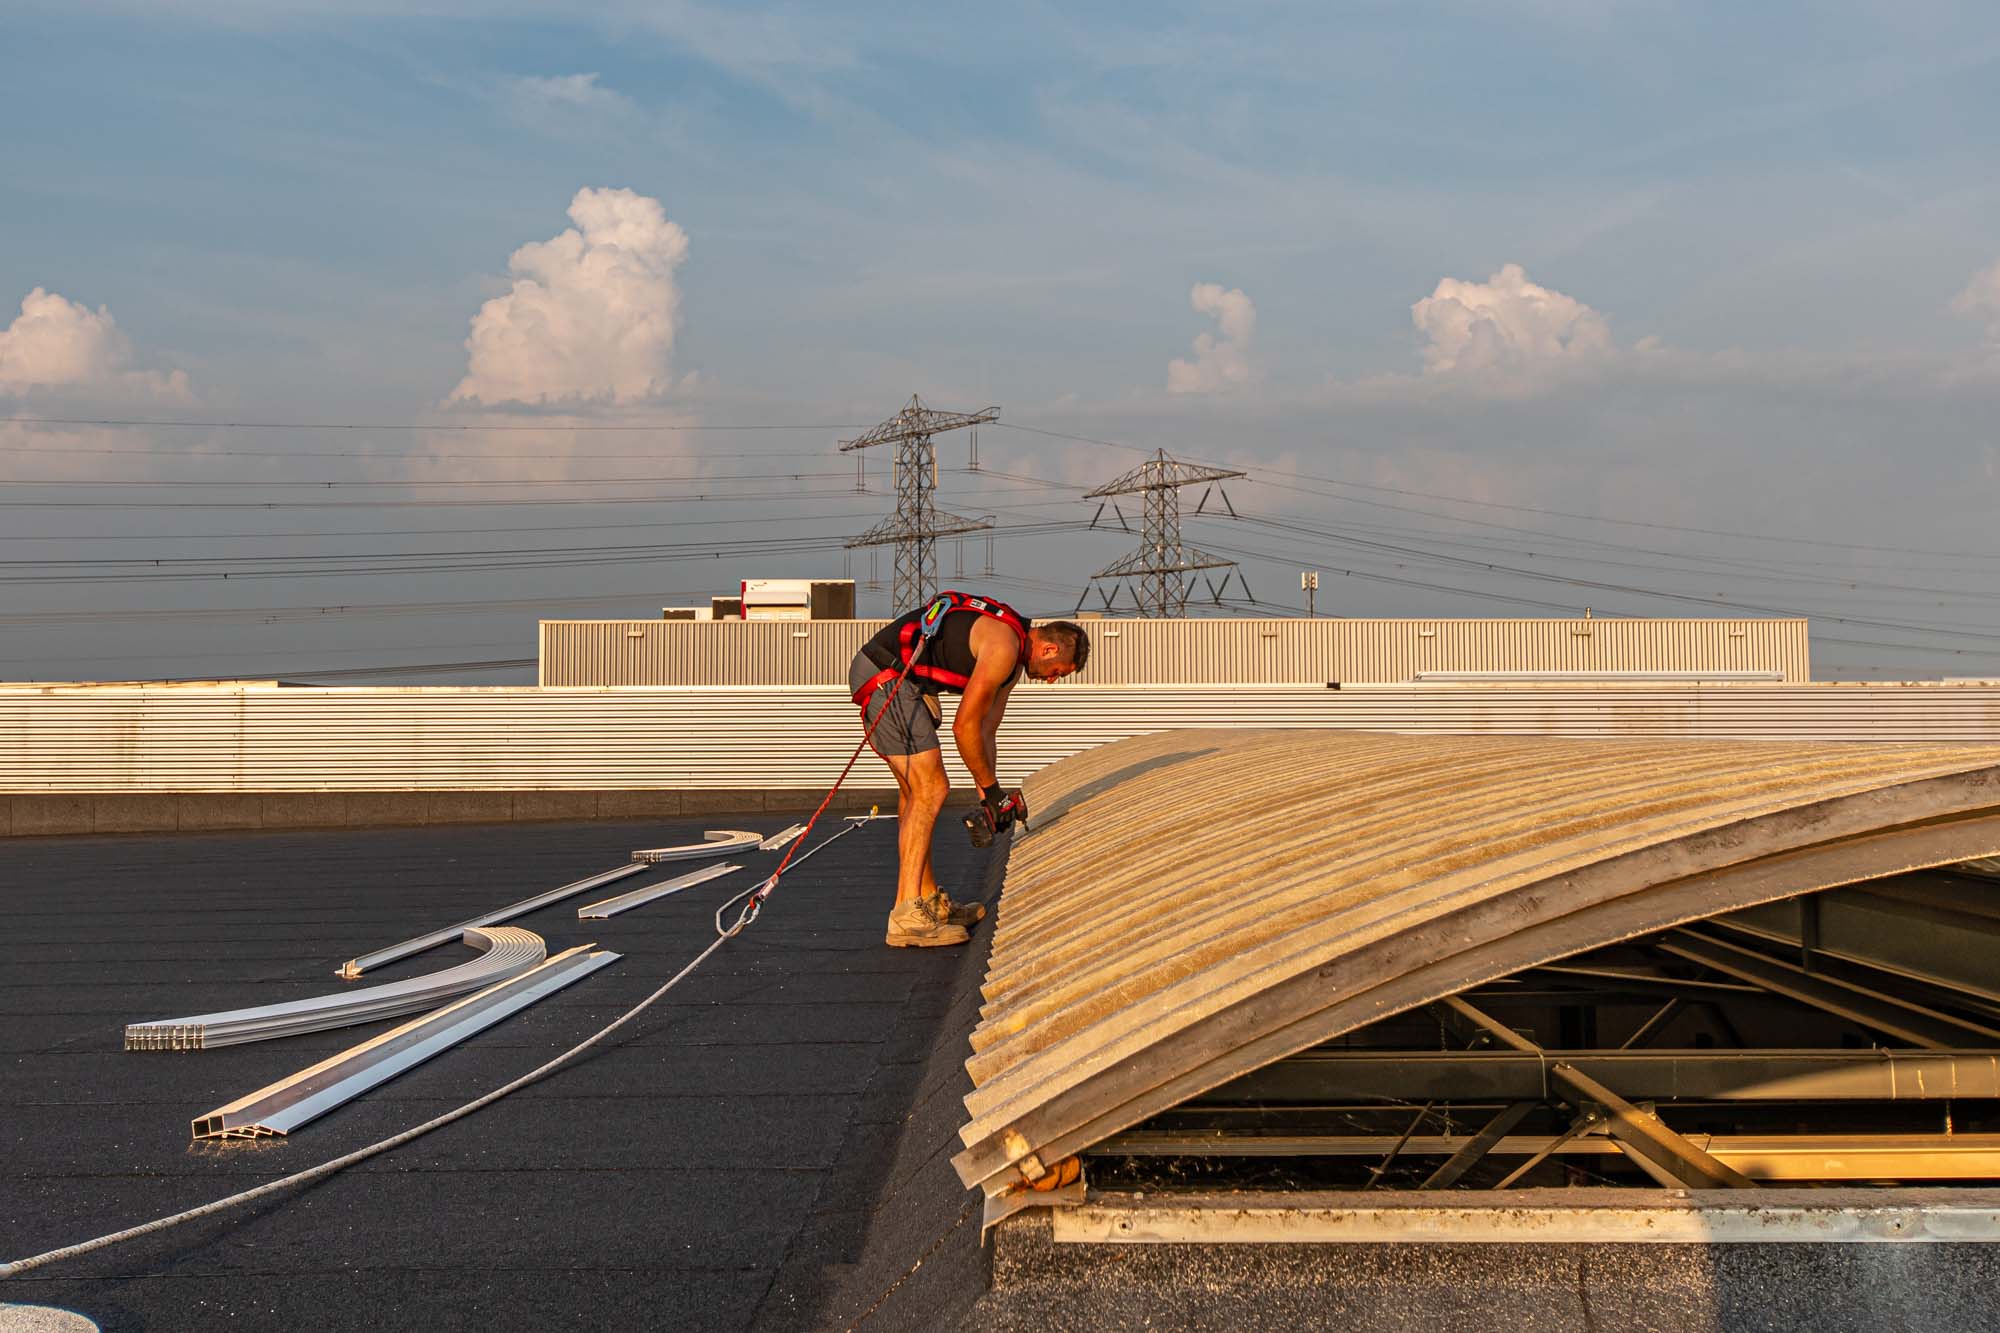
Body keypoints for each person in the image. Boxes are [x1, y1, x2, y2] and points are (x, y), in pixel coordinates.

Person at [848, 591, 1090, 946]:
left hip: (902, 684)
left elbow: (986, 730)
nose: (1051, 680)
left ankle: (926, 901)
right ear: (1050, 650)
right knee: (931, 790)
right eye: (1057, 673)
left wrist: (990, 801)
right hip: (887, 678)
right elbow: (964, 727)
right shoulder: (1004, 646)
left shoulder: (1012, 657)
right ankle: (906, 916)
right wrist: (992, 792)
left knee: (917, 793)